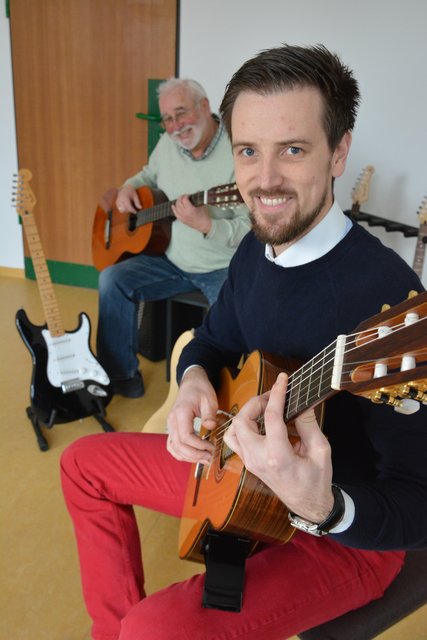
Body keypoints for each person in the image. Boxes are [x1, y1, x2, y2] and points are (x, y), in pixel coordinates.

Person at [61, 44, 427, 640]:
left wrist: (326, 506)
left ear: (339, 152)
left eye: (293, 150)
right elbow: (213, 339)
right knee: (82, 465)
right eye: (249, 152)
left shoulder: (392, 303)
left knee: (154, 630)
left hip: (343, 539)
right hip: (235, 468)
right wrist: (193, 383)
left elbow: (418, 504)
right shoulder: (256, 248)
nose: (265, 180)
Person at [97, 77, 250, 398]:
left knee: (240, 324)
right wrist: (128, 186)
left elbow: (253, 228)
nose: (175, 125)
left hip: (222, 268)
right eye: (167, 118)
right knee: (113, 279)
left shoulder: (240, 152)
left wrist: (207, 225)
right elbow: (147, 175)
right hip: (169, 259)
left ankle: (228, 399)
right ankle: (121, 376)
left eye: (181, 113)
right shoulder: (169, 144)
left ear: (205, 106)